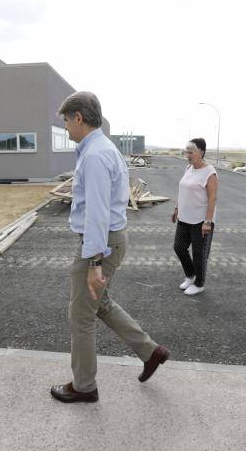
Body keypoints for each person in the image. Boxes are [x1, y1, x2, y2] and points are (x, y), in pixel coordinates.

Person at [50, 91, 169, 404]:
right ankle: (150, 351)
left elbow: (97, 213)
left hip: (100, 244)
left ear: (79, 117)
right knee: (99, 304)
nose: (65, 127)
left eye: (65, 120)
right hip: (109, 241)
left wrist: (93, 262)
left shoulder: (95, 155)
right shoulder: (102, 148)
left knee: (81, 317)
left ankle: (84, 386)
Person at [172, 138, 218, 296]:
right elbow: (183, 191)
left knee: (199, 254)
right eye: (186, 152)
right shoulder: (188, 168)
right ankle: (191, 275)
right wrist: (177, 208)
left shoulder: (210, 172)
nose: (187, 155)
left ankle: (199, 284)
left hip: (200, 221)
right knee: (179, 247)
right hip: (184, 217)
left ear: (201, 152)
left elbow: (212, 199)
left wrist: (208, 222)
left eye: (190, 152)